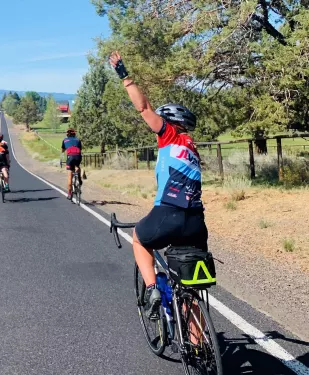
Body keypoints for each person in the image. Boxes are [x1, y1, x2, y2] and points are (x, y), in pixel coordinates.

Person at [109, 51, 208, 320]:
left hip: (169, 213)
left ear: (169, 123)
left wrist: (124, 76)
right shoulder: (193, 149)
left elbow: (143, 108)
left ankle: (152, 288)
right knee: (189, 289)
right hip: (197, 221)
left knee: (140, 240)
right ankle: (200, 349)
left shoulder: (169, 135)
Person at [61, 128, 83, 200]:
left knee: (69, 175)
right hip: (78, 157)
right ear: (74, 134)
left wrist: (64, 150)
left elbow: (62, 150)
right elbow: (80, 149)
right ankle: (79, 179)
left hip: (70, 158)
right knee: (77, 166)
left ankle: (70, 194)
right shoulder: (78, 140)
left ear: (67, 134)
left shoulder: (65, 140)